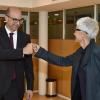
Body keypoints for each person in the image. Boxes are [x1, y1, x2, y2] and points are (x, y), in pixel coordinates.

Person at [33, 17, 100, 100]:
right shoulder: (79, 52)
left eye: (76, 30)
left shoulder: (97, 52)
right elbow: (63, 61)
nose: (74, 33)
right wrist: (40, 51)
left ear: (83, 34)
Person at [0, 7, 34, 100]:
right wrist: (22, 51)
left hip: (16, 86)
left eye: (20, 20)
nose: (18, 23)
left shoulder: (25, 37)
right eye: (15, 19)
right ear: (6, 18)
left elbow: (28, 65)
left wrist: (30, 87)